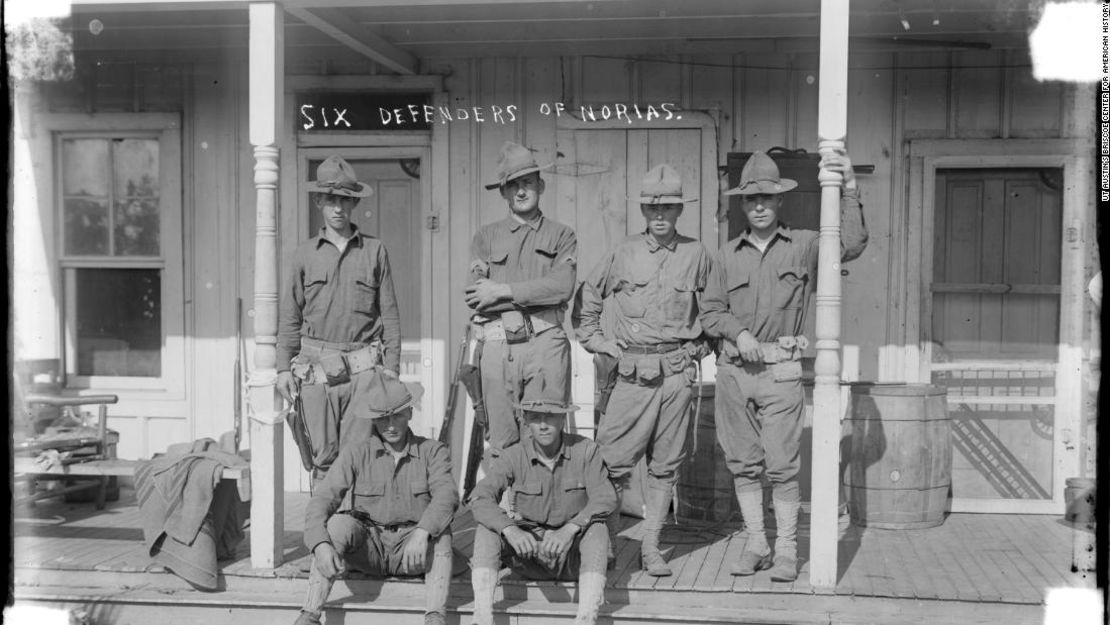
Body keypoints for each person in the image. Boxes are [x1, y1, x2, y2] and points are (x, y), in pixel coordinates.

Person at [699, 149, 868, 582]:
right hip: (735, 372)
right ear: (741, 204)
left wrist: (849, 187)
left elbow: (850, 244)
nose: (758, 206)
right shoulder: (724, 255)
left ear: (780, 203)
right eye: (751, 199)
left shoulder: (807, 245)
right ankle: (757, 543)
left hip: (782, 373)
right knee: (743, 464)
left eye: (766, 199)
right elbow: (711, 311)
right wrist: (739, 334)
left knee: (782, 466)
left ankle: (787, 550)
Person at [573, 164, 712, 576]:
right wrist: (598, 341)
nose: (659, 214)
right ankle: (608, 543)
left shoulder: (697, 254)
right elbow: (587, 299)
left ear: (679, 209)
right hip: (631, 375)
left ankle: (651, 547)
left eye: (668, 206)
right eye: (652, 206)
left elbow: (716, 313)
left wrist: (696, 351)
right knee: (611, 464)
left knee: (665, 466)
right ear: (642, 210)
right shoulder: (624, 252)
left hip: (675, 377)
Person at [276, 155, 403, 484]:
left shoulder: (374, 251)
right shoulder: (303, 254)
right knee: (322, 458)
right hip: (316, 371)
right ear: (319, 201)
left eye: (345, 200)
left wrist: (392, 367)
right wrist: (281, 368)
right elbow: (290, 316)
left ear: (354, 203)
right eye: (331, 199)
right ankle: (321, 533)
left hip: (363, 369)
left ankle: (351, 531)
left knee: (359, 456)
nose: (338, 208)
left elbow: (389, 313)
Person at [294, 372, 457, 625]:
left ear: (410, 414)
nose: (391, 425)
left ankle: (435, 617)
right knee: (337, 524)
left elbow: (446, 496)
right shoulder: (356, 452)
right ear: (374, 419)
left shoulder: (432, 451)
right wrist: (320, 545)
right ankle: (309, 615)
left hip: (412, 551)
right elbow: (323, 499)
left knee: (442, 533)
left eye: (398, 415)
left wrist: (423, 531)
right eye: (383, 418)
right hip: (370, 550)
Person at [465, 141, 577, 459]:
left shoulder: (561, 235)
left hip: (546, 344)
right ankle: (508, 508)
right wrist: (536, 293)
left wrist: (501, 291)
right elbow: (475, 295)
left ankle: (539, 507)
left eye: (527, 182)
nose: (521, 191)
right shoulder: (486, 237)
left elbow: (562, 287)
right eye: (512, 185)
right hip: (498, 346)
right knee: (501, 437)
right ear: (503, 192)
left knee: (544, 434)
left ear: (540, 185)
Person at [467, 394, 616, 625]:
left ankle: (587, 618)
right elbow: (478, 498)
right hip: (529, 554)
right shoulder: (514, 456)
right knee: (487, 530)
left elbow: (605, 498)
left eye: (551, 418)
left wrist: (570, 529)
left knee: (597, 530)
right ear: (526, 421)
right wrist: (510, 529)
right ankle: (482, 618)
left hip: (572, 556)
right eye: (536, 418)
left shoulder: (586, 451)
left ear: (563, 420)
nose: (543, 425)